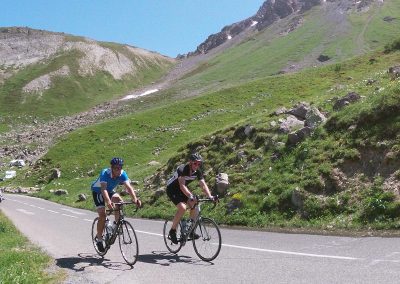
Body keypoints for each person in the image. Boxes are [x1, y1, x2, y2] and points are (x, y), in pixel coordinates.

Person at [91, 157, 141, 252]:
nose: (118, 170)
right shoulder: (105, 173)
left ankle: (115, 226)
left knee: (119, 200)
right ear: (112, 168)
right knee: (102, 215)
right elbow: (103, 189)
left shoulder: (122, 174)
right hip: (98, 191)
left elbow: (129, 187)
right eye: (116, 168)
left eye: (120, 168)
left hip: (109, 191)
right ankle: (99, 238)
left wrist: (135, 199)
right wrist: (109, 203)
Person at [166, 153, 215, 244]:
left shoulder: (198, 172)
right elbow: (182, 186)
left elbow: (203, 185)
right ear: (190, 163)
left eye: (199, 164)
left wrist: (210, 196)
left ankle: (190, 230)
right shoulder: (182, 169)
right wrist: (190, 196)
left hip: (182, 190)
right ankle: (172, 231)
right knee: (182, 208)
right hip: (172, 189)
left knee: (195, 206)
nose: (197, 166)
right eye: (195, 163)